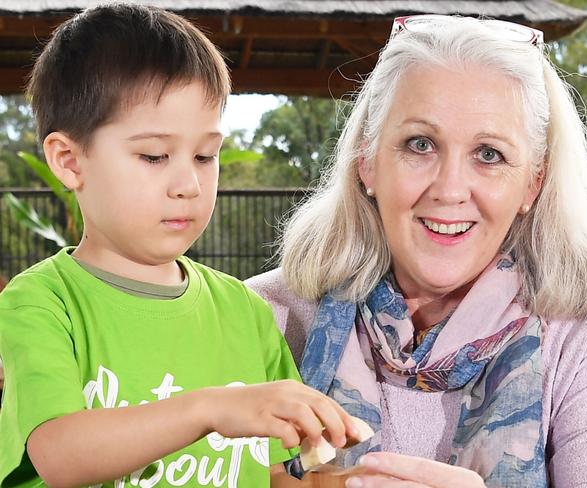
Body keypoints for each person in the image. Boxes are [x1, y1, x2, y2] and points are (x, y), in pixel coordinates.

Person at [247, 14, 587, 488]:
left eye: (489, 154)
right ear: (368, 162)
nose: (450, 189)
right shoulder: (263, 316)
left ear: (533, 183)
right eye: (420, 144)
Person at [0, 5, 359, 487]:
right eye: (154, 155)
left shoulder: (245, 313)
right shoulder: (42, 303)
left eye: (205, 155)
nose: (189, 183)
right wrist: (210, 409)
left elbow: (267, 472)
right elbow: (58, 456)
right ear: (69, 160)